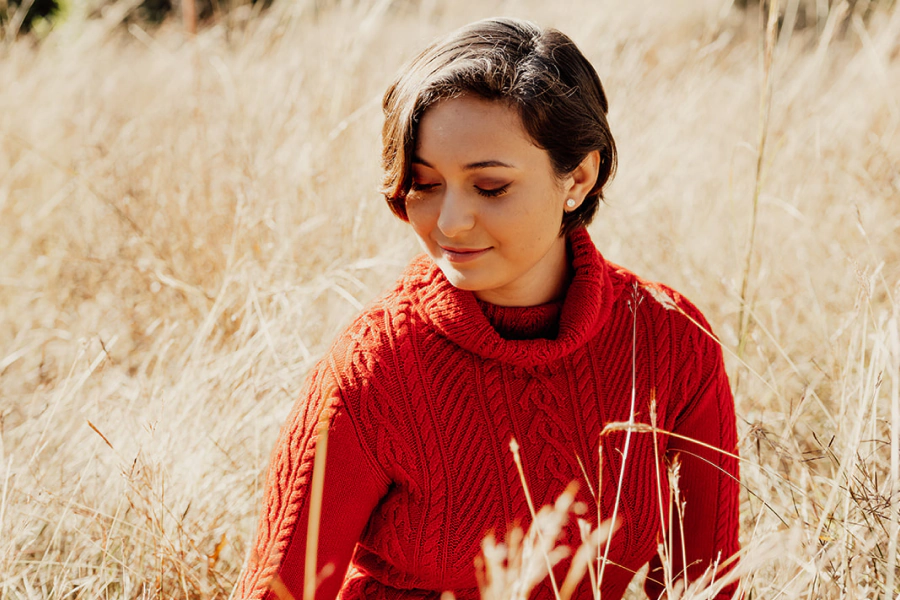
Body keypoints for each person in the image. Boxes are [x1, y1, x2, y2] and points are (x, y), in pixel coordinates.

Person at [236, 17, 740, 600]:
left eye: (490, 187)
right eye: (424, 184)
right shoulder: (375, 369)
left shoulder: (666, 340)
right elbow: (278, 591)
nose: (449, 222)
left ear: (578, 174)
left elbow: (707, 584)